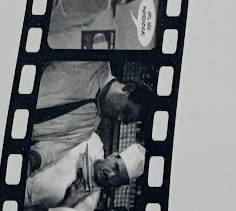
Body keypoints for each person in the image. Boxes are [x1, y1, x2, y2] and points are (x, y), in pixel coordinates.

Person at [28, 63, 156, 168]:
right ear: (128, 88)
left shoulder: (88, 128)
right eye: (125, 112)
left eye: (124, 120)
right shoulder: (94, 62)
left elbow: (50, 151)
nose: (118, 119)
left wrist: (34, 160)